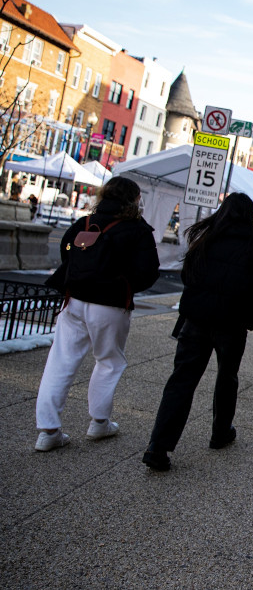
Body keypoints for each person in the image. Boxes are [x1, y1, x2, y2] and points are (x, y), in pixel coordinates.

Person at [143, 193, 253, 471]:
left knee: (182, 380)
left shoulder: (204, 240)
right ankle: (220, 432)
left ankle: (158, 446)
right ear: (250, 217)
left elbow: (187, 277)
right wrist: (243, 293)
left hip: (196, 319)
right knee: (227, 376)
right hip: (232, 323)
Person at [34, 176, 160, 452]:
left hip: (75, 298)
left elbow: (66, 249)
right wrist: (125, 284)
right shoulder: (137, 229)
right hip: (111, 303)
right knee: (109, 361)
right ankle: (99, 422)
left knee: (60, 360)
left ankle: (48, 431)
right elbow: (149, 271)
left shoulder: (86, 222)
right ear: (135, 200)